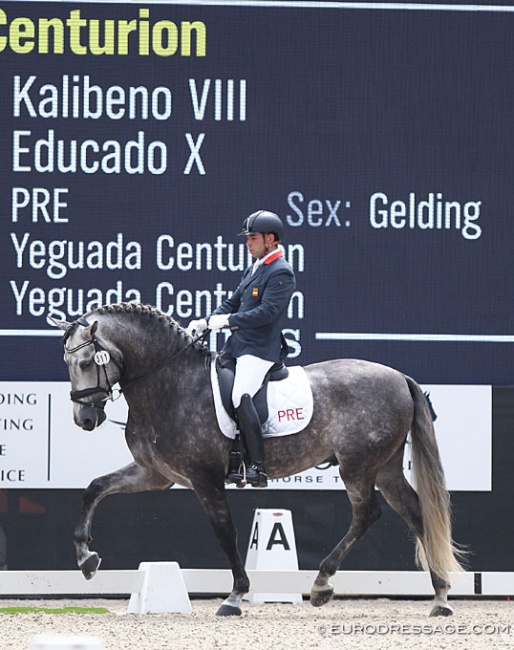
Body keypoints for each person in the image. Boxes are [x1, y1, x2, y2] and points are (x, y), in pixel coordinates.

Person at [187, 210, 296, 487]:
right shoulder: (255, 267)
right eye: (247, 238)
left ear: (270, 239)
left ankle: (256, 467)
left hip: (259, 350)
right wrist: (208, 320)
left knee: (240, 395)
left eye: (253, 238)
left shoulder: (281, 271)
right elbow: (233, 301)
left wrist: (230, 321)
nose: (248, 243)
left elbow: (267, 313)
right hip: (237, 346)